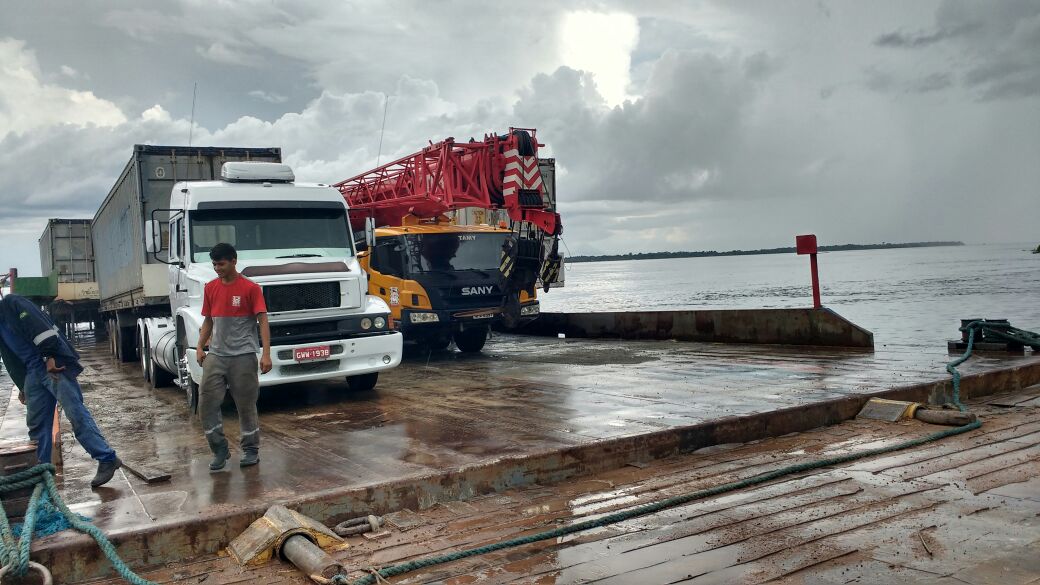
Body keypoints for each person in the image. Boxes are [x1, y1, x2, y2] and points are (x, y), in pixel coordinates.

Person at [0, 294, 121, 487]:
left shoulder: (13, 304)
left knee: (75, 413)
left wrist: (50, 356)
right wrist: (22, 385)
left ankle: (107, 458)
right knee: (37, 426)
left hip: (52, 365)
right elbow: (10, 359)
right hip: (32, 373)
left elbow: (39, 327)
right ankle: (43, 474)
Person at [197, 243, 272, 471]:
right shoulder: (210, 288)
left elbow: (263, 321)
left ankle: (250, 450)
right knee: (207, 404)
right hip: (217, 356)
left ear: (233, 261)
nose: (217, 268)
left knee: (246, 405)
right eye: (214, 264)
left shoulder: (251, 288)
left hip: (243, 357)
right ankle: (219, 450)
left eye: (221, 264)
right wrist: (200, 346)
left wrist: (266, 354)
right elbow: (209, 320)